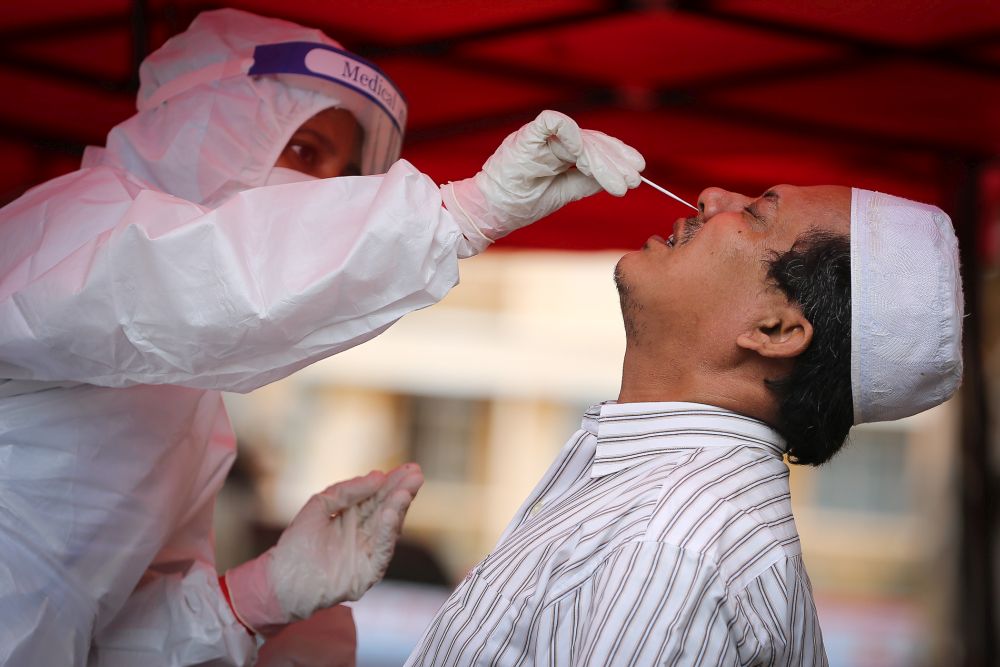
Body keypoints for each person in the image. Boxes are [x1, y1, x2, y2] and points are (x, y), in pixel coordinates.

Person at [0, 8, 645, 667]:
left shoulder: (184, 402)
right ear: (209, 127)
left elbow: (107, 641)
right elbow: (204, 277)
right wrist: (459, 214)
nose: (316, 194)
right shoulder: (70, 228)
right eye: (303, 151)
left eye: (342, 178)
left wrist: (256, 598)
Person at [406, 185, 963, 665]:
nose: (710, 198)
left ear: (773, 330)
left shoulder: (670, 541)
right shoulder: (665, 510)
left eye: (755, 215)